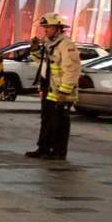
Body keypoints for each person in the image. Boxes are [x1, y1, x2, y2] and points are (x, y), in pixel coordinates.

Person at [25, 12, 82, 161]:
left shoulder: (66, 45)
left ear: (58, 28)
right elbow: (43, 63)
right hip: (48, 88)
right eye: (44, 27)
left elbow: (72, 69)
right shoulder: (49, 43)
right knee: (47, 120)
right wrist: (35, 50)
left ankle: (58, 152)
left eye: (49, 27)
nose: (45, 30)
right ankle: (43, 149)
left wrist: (64, 91)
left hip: (61, 91)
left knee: (60, 123)